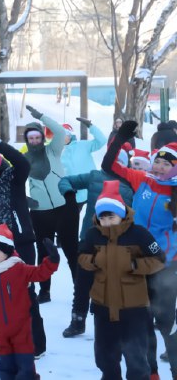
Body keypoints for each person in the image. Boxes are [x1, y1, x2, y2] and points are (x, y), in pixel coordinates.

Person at [102, 121, 177, 378]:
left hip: (166, 265)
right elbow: (108, 166)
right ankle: (151, 372)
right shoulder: (142, 179)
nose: (159, 167)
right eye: (158, 162)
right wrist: (120, 137)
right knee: (141, 323)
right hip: (137, 263)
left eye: (167, 164)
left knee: (166, 323)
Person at [78, 180, 165, 379]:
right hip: (103, 308)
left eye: (111, 216)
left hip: (134, 310)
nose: (107, 221)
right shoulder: (92, 235)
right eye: (103, 217)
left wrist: (135, 265)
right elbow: (81, 258)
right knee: (105, 356)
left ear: (122, 214)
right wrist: (94, 260)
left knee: (136, 357)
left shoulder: (139, 234)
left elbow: (158, 259)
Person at [0, 128, 46, 357]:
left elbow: (23, 163)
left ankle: (37, 344)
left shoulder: (12, 177)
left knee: (26, 292)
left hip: (21, 241)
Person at [58, 144, 134, 338]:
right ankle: (78, 320)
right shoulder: (94, 176)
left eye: (120, 162)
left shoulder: (132, 184)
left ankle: (110, 322)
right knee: (83, 281)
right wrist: (68, 193)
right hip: (89, 237)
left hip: (116, 242)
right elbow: (66, 180)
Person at [0, 225, 59, 380]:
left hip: (22, 330)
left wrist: (52, 261)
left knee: (26, 368)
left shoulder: (19, 268)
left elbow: (40, 273)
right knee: (6, 367)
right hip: (0, 331)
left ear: (7, 251)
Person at [21, 104, 78, 303]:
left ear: (42, 138)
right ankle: (44, 291)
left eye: (37, 137)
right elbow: (15, 182)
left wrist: (42, 115)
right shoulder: (24, 159)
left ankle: (80, 290)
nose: (35, 141)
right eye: (31, 138)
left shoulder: (53, 150)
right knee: (44, 251)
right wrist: (24, 199)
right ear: (27, 140)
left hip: (64, 207)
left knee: (72, 250)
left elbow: (61, 131)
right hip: (40, 212)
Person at [60, 117, 107, 203]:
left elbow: (102, 141)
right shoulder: (58, 153)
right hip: (76, 195)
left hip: (93, 190)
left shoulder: (83, 145)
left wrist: (90, 126)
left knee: (98, 216)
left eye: (65, 133)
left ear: (70, 135)